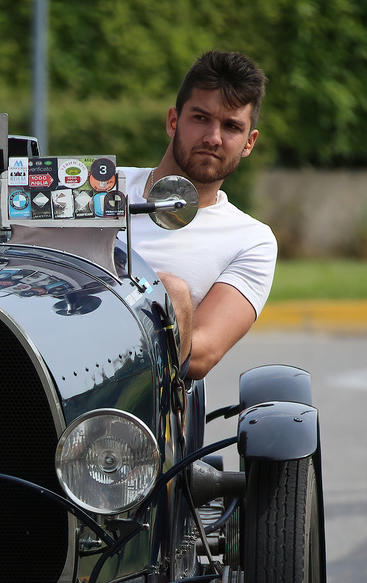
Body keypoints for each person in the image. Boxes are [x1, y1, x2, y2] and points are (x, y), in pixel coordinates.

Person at [118, 50, 277, 379]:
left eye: (231, 126)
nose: (213, 138)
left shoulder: (252, 241)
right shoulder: (99, 187)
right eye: (201, 118)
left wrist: (169, 298)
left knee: (174, 290)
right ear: (173, 121)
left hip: (136, 403)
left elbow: (201, 354)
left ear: (249, 143)